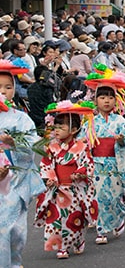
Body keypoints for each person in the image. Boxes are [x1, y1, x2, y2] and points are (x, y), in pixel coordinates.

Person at [34, 101, 99, 260]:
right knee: (55, 219)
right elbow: (46, 164)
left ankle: (77, 241)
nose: (56, 131)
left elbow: (88, 164)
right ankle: (61, 247)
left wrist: (79, 173)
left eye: (61, 128)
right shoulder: (52, 148)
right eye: (55, 127)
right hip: (57, 189)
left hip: (74, 189)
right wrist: (49, 178)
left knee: (74, 218)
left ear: (74, 130)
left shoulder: (81, 147)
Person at [0, 59, 46, 268]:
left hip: (14, 180)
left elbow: (32, 145)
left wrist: (14, 142)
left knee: (16, 231)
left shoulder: (21, 119)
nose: (3, 91)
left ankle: (15, 261)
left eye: (8, 87)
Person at [82, 70, 125, 245]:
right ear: (96, 100)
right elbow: (84, 143)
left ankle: (118, 219)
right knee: (99, 197)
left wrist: (120, 142)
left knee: (116, 197)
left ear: (115, 100)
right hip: (97, 164)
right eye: (102, 97)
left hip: (114, 163)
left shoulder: (120, 121)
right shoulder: (91, 122)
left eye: (110, 97)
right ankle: (101, 229)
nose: (106, 101)